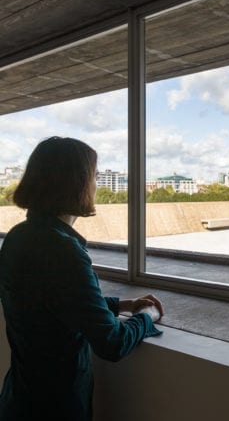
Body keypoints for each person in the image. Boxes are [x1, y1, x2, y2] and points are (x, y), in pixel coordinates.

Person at [0, 136, 164, 420]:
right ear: (77, 183)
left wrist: (121, 304)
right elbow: (111, 342)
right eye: (94, 176)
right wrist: (147, 316)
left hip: (19, 397)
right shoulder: (63, 250)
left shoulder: (18, 237)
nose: (96, 184)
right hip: (56, 406)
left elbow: (54, 301)